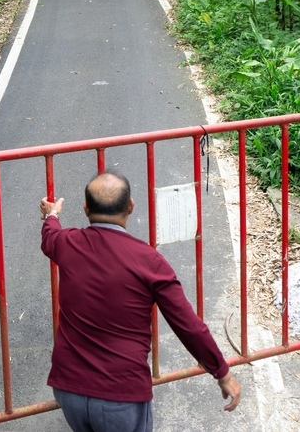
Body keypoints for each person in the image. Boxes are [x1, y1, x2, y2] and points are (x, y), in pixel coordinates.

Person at [40, 171, 241, 432]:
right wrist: (222, 373)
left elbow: (50, 235)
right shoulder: (150, 261)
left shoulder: (68, 243)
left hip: (69, 390)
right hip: (121, 395)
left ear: (86, 208)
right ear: (131, 206)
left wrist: (51, 214)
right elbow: (188, 325)